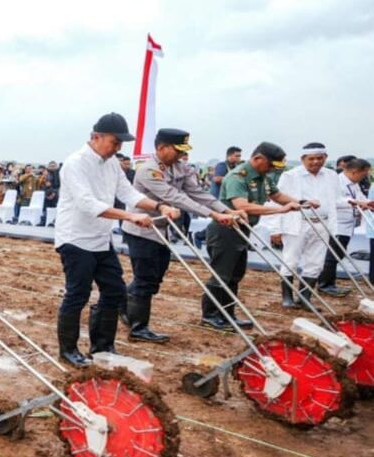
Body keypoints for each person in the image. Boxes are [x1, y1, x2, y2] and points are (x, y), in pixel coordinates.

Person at [54, 112, 179, 368]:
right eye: (115, 142)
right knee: (77, 294)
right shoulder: (75, 163)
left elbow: (128, 192)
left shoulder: (111, 163)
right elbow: (87, 203)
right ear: (96, 137)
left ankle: (102, 346)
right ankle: (68, 349)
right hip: (75, 239)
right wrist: (130, 216)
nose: (118, 148)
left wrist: (159, 206)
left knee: (115, 290)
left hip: (101, 239)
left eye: (121, 143)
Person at [122, 129, 240, 343]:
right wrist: (212, 214)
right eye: (177, 150)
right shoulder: (148, 170)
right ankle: (138, 327)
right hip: (142, 229)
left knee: (156, 277)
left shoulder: (180, 168)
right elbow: (175, 197)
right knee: (145, 279)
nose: (180, 155)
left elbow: (198, 193)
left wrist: (225, 210)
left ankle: (123, 302)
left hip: (163, 230)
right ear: (161, 148)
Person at [200, 143, 302, 331]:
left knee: (235, 276)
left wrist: (300, 202)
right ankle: (210, 316)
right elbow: (242, 206)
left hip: (243, 230)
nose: (272, 170)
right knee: (222, 275)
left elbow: (277, 194)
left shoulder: (263, 176)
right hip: (225, 231)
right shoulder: (237, 176)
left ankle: (227, 314)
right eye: (271, 166)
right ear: (258, 159)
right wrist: (281, 210)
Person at [270, 143, 339, 308]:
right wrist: (275, 229)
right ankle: (287, 298)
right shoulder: (290, 176)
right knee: (290, 261)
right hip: (297, 224)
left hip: (321, 223)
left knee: (316, 263)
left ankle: (304, 297)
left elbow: (336, 200)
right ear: (303, 159)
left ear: (325, 158)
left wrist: (356, 202)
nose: (315, 162)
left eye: (319, 158)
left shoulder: (331, 175)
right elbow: (277, 202)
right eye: (311, 158)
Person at [318, 158, 371, 296]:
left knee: (339, 254)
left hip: (348, 225)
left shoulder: (354, 184)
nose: (365, 176)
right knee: (332, 255)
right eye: (364, 173)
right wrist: (354, 202)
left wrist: (368, 203)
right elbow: (332, 201)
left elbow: (359, 197)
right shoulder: (336, 182)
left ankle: (328, 281)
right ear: (355, 172)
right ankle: (325, 284)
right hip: (338, 224)